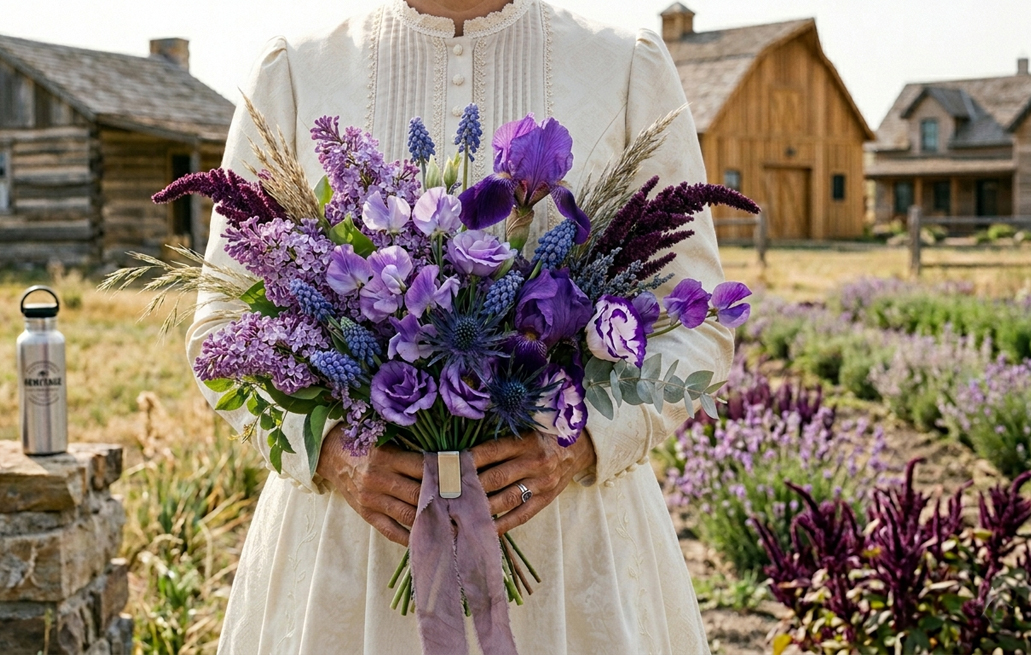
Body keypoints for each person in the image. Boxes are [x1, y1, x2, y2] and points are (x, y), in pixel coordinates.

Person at [186, 0, 733, 652]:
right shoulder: (298, 71)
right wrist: (330, 453)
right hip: (350, 566)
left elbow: (701, 323)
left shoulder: (625, 66)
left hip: (571, 564)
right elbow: (221, 329)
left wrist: (583, 444)